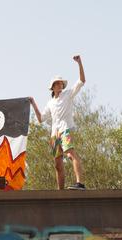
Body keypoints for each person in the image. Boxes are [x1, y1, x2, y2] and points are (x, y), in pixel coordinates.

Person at [30, 55, 86, 190]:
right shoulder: (50, 103)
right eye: (57, 83)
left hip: (65, 130)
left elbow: (82, 81)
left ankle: (80, 183)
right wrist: (33, 103)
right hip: (54, 135)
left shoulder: (68, 94)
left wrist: (79, 63)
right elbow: (41, 119)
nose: (60, 85)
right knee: (57, 163)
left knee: (71, 153)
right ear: (53, 87)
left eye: (61, 83)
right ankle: (60, 191)